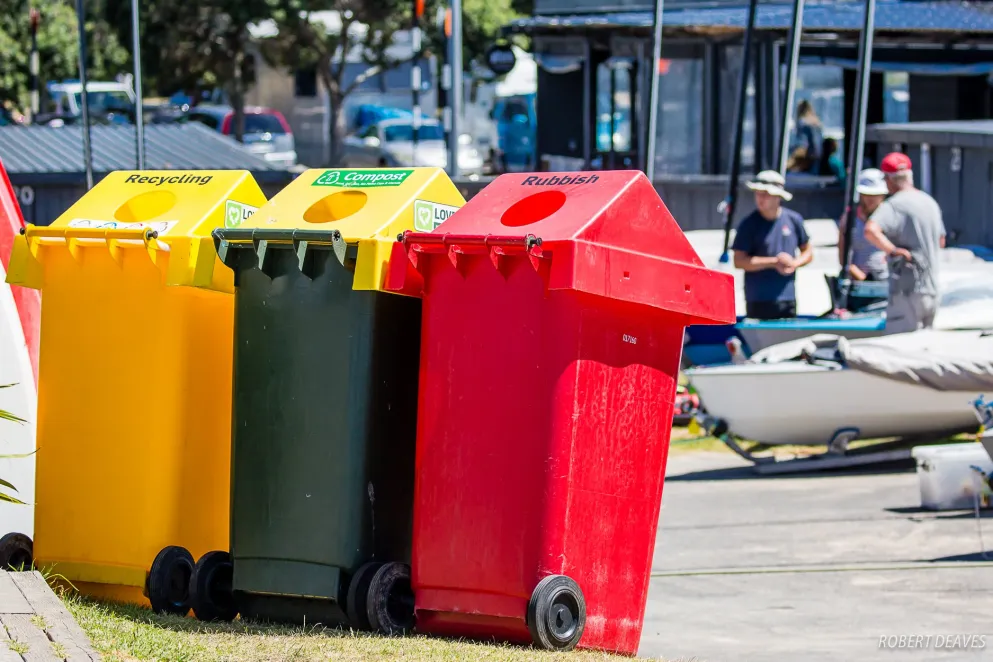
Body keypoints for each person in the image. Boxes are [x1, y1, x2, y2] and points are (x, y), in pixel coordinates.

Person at [863, 152, 947, 333]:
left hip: (906, 291)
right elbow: (941, 240)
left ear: (888, 180)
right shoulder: (930, 202)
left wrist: (892, 250)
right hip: (931, 289)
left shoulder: (894, 204)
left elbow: (871, 230)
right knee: (924, 351)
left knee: (899, 349)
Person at [732, 170, 814, 320]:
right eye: (758, 193)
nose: (760, 198)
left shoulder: (794, 219)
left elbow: (808, 251)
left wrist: (794, 263)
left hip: (787, 298)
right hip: (758, 299)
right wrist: (774, 262)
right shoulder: (748, 224)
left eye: (766, 194)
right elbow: (739, 261)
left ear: (778, 197)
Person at [838, 168, 888, 282]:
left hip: (888, 282)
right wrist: (862, 278)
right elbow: (843, 257)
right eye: (867, 194)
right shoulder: (849, 219)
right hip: (858, 283)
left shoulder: (892, 218)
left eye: (876, 194)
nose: (871, 198)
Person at [791, 100, 823, 173]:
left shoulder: (803, 123)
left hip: (806, 162)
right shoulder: (817, 123)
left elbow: (802, 146)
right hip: (818, 162)